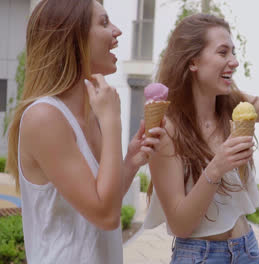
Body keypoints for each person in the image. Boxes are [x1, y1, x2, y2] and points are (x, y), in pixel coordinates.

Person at [143, 13, 259, 264]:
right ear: (193, 61)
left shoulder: (235, 107)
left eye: (233, 52)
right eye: (223, 52)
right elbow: (180, 224)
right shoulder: (166, 130)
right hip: (199, 256)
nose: (234, 62)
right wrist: (217, 166)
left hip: (246, 249)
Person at [6, 0, 165, 263]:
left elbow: (101, 199)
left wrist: (131, 161)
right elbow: (106, 216)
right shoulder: (45, 116)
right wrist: (113, 121)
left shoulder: (93, 112)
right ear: (71, 36)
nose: (117, 31)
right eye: (104, 22)